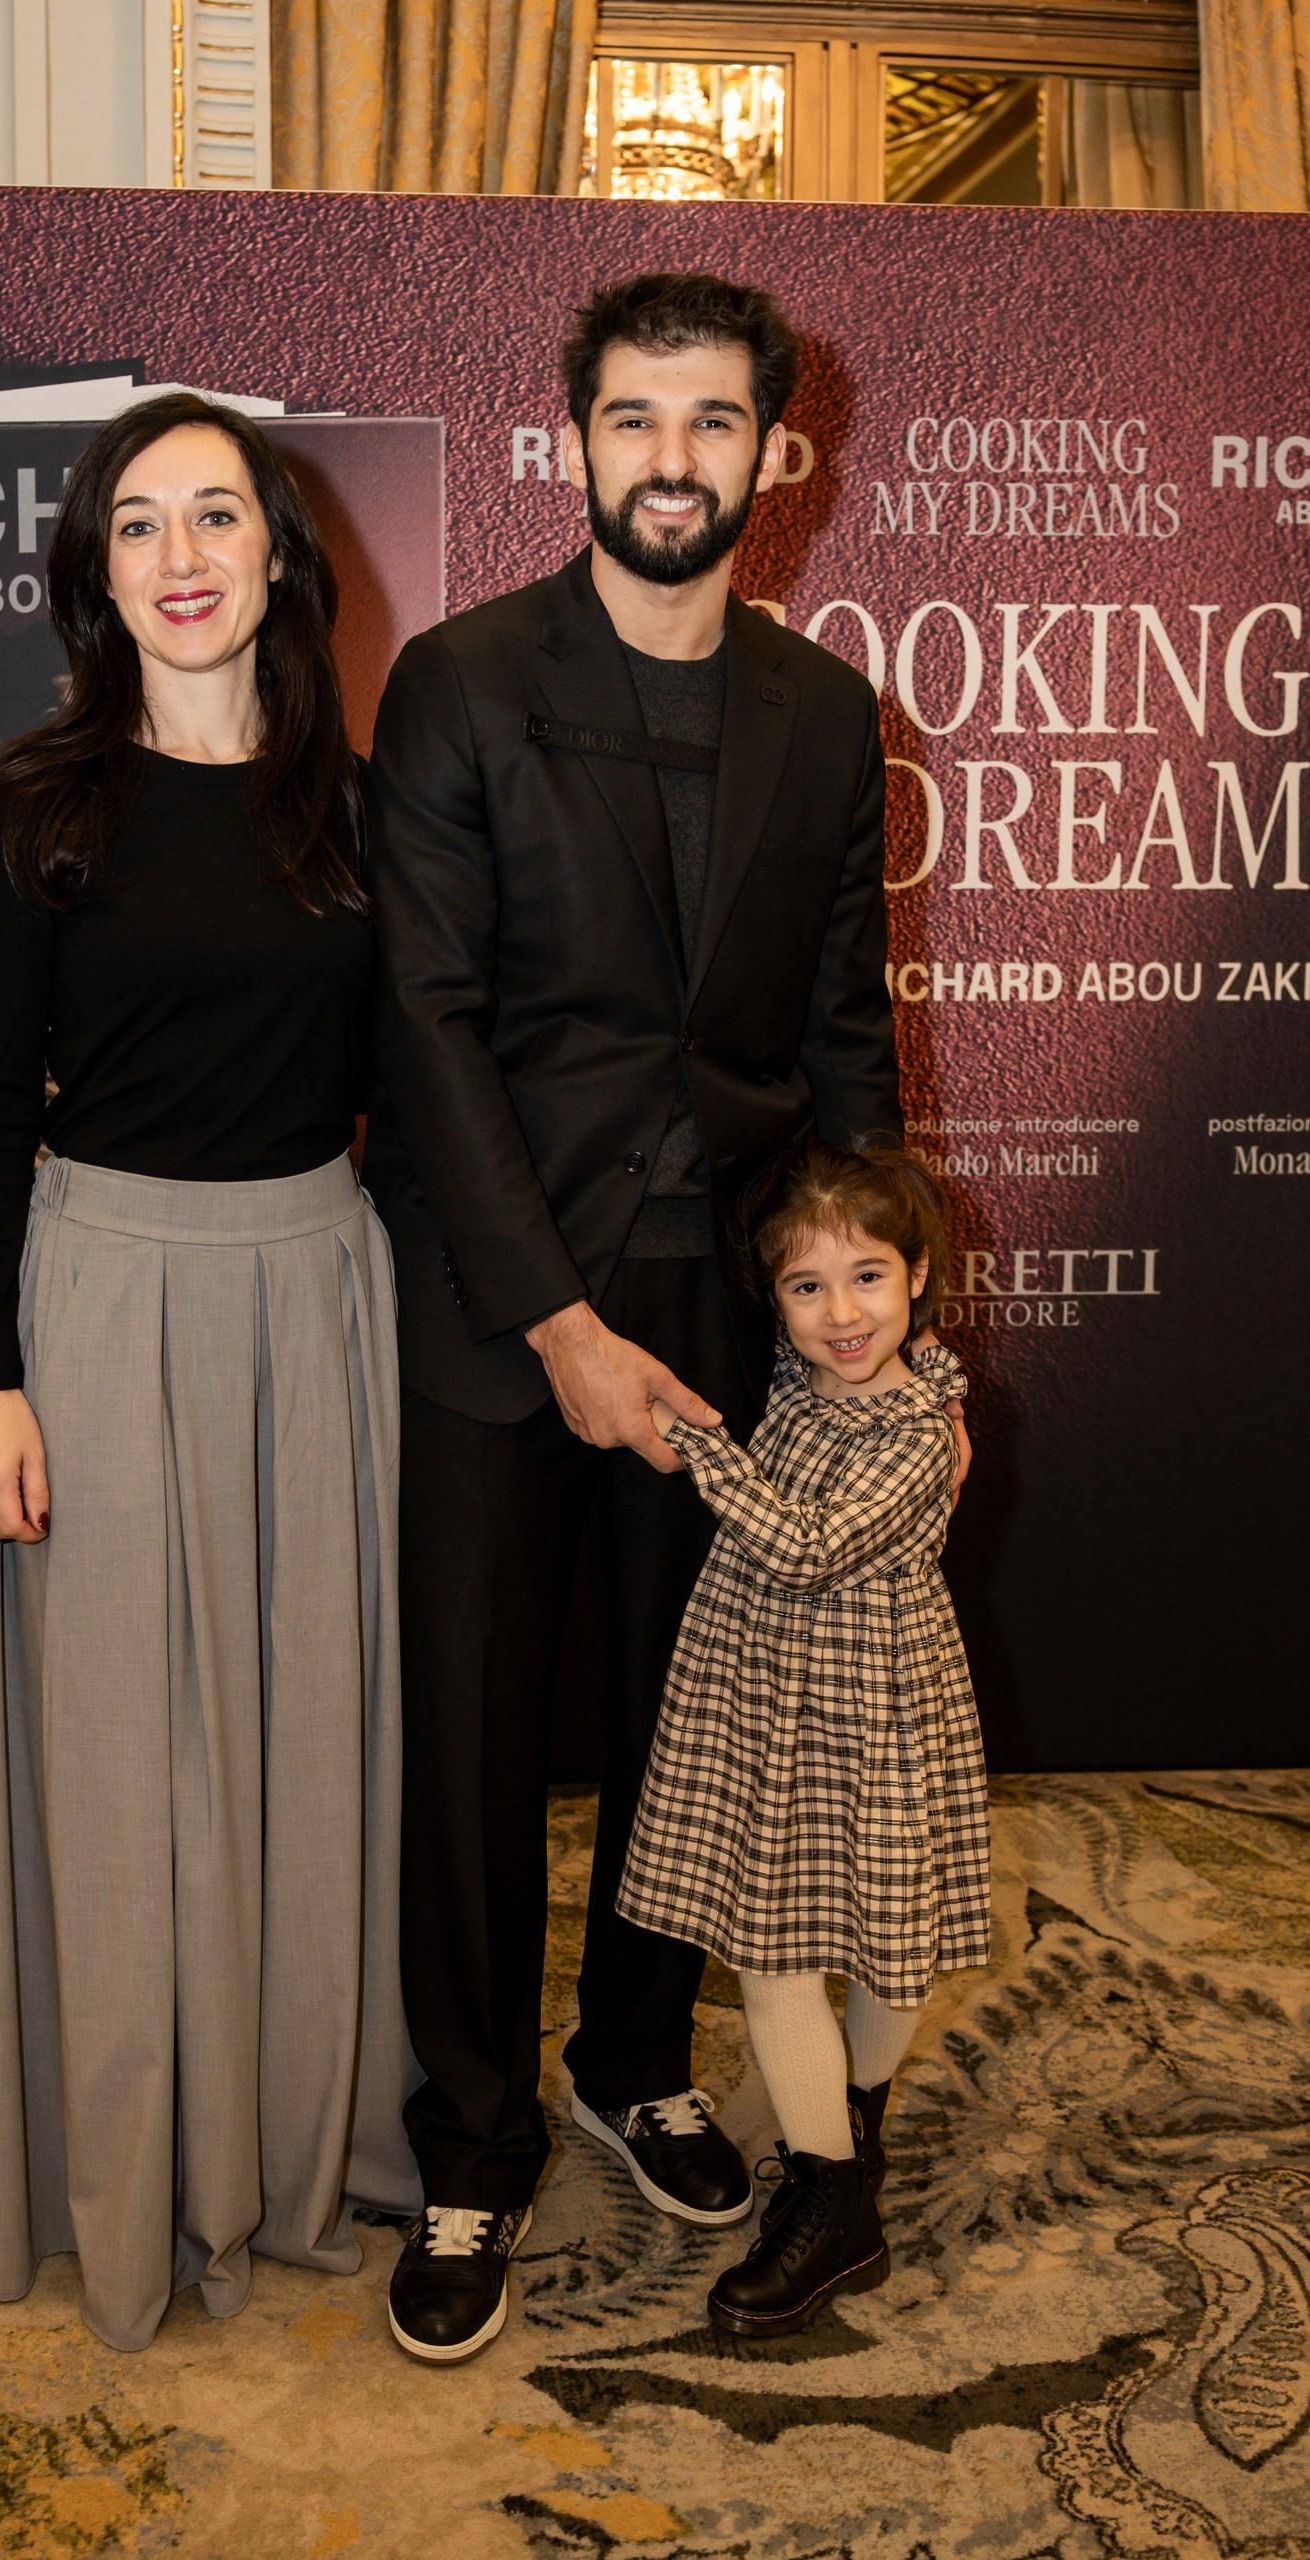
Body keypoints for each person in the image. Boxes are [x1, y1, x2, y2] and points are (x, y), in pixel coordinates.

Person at [366, 269, 966, 2363]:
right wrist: (553, 1322)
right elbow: (427, 1026)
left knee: (677, 1724)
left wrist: (883, 1342)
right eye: (633, 418)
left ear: (774, 454)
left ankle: (631, 2059)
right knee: (470, 1735)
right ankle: (468, 2136)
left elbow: (842, 1038)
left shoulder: (821, 712)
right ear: (572, 442)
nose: (670, 458)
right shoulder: (458, 682)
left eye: (712, 421)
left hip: (720, 1309)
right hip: (496, 1299)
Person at [0, 389, 420, 2354]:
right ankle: (137, 2171)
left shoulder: (363, 812)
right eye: (136, 524)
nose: (182, 556)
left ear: (279, 553)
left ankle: (304, 2142)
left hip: (315, 1297)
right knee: (124, 1768)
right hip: (103, 1306)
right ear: (95, 570)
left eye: (216, 514)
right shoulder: (42, 805)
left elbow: (416, 1093)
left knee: (312, 1743)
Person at [620, 1138, 990, 2337]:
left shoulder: (918, 1431)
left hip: (872, 1716)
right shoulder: (801, 1375)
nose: (842, 1314)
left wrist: (693, 1440)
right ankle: (844, 2156)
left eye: (869, 1276)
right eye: (807, 1286)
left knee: (872, 1943)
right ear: (774, 1299)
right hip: (767, 1709)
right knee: (780, 1947)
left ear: (919, 1274)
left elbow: (806, 1547)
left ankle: (839, 2190)